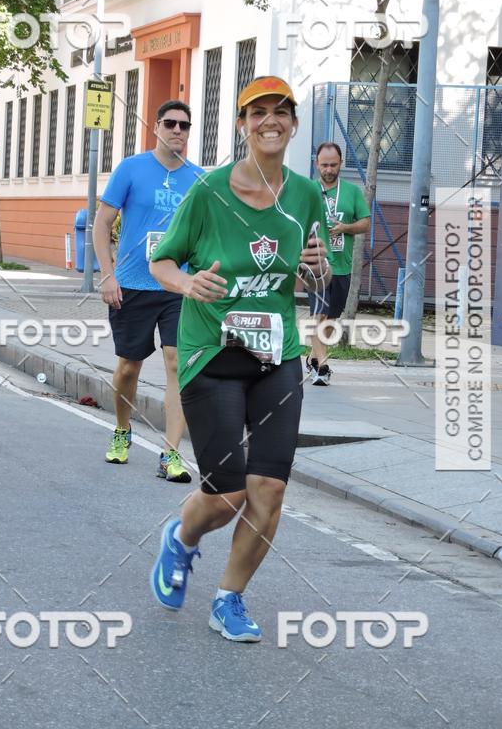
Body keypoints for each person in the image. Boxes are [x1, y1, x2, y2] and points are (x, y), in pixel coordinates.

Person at [148, 76, 331, 642]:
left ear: (294, 124)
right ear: (242, 125)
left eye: (281, 112)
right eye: (258, 114)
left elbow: (314, 271)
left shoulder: (304, 194)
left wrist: (317, 266)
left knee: (270, 488)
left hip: (276, 354)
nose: (270, 122)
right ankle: (181, 536)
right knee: (227, 492)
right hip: (212, 353)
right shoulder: (209, 193)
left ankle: (230, 598)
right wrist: (186, 284)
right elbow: (162, 260)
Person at [93, 100, 203, 482]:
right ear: (156, 127)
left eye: (184, 126)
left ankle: (171, 454)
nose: (177, 130)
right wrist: (108, 275)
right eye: (170, 123)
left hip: (177, 286)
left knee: (178, 362)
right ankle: (122, 430)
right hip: (132, 285)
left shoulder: (199, 178)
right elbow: (102, 223)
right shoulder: (131, 169)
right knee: (129, 366)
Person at [307, 142, 371, 386]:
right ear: (317, 165)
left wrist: (346, 227)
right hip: (316, 265)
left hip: (342, 265)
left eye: (333, 165)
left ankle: (312, 357)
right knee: (318, 315)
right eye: (324, 165)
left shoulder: (352, 192)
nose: (329, 169)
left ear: (341, 163)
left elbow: (365, 223)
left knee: (331, 320)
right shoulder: (308, 191)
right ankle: (323, 367)